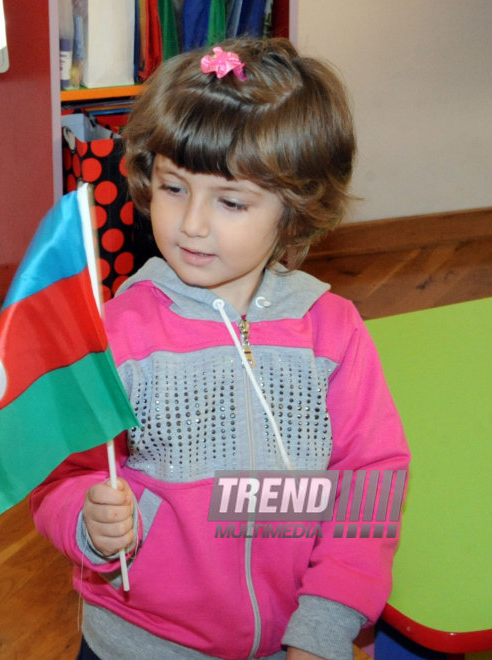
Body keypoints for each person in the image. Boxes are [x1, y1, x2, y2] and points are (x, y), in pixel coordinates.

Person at [30, 37, 410, 660]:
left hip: (297, 638)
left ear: (293, 212)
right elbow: (60, 473)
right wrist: (86, 522)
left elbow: (368, 483)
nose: (193, 224)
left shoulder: (332, 331)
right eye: (174, 188)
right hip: (137, 645)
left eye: (230, 202)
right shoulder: (116, 337)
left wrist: (326, 624)